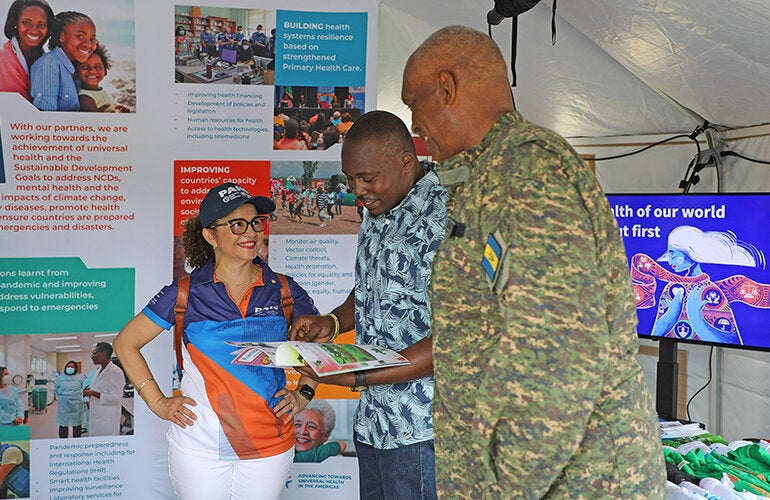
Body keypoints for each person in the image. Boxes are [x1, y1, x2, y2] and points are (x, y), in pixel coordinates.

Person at [400, 25, 667, 498]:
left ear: (446, 88)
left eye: (413, 106)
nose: (415, 127)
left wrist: (505, 486)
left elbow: (556, 355)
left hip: (568, 482)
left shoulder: (524, 169)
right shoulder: (486, 177)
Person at [113, 182, 320, 500]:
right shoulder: (185, 292)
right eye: (236, 224)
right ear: (211, 236)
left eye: (255, 222)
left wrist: (304, 393)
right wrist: (157, 402)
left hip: (269, 444)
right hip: (199, 447)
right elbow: (126, 343)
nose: (250, 232)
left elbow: (319, 349)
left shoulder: (284, 290)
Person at [290, 110, 447, 499]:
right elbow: (373, 289)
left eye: (367, 178)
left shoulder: (446, 219)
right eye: (350, 179)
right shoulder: (376, 209)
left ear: (405, 162)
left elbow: (453, 343)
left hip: (422, 429)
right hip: (373, 425)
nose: (357, 190)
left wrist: (357, 377)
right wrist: (332, 322)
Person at [30, 11, 97, 111]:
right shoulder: (49, 66)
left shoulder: (74, 66)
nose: (88, 44)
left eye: (92, 39)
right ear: (62, 36)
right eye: (80, 36)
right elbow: (45, 119)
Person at [0, 0, 54, 101]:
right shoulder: (3, 57)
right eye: (26, 23)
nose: (34, 30)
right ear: (15, 23)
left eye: (41, 25)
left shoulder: (44, 59)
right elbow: (16, 104)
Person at [83, 342, 125, 437]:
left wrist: (93, 393)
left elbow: (116, 398)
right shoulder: (98, 371)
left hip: (107, 421)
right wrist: (88, 394)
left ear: (104, 353)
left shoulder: (115, 372)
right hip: (96, 417)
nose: (91, 356)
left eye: (94, 353)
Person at [77, 43, 126, 113]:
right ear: (76, 71)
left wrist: (117, 111)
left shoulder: (100, 90)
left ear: (105, 71)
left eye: (97, 67)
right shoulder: (85, 99)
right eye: (85, 67)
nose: (92, 71)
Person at [54, 360, 86, 438]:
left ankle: (76, 444)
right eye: (69, 366)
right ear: (65, 368)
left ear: (76, 369)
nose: (70, 368)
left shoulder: (81, 377)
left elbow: (85, 388)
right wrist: (64, 395)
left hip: (77, 406)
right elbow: (56, 389)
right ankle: (63, 444)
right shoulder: (60, 378)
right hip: (64, 406)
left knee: (77, 427)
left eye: (72, 367)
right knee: (63, 427)